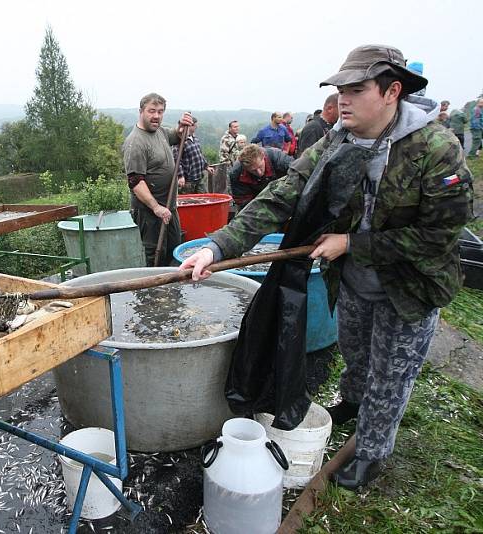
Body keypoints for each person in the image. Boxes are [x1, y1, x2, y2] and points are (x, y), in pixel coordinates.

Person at [181, 44, 472, 490]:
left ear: (392, 91)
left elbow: (440, 236)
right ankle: (353, 404)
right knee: (356, 355)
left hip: (410, 288)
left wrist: (352, 243)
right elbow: (286, 192)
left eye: (356, 89)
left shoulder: (435, 149)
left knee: (389, 375)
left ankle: (372, 453)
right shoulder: (338, 139)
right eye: (340, 89)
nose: (344, 100)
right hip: (353, 282)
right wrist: (218, 247)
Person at [123, 93, 194, 266]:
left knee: (175, 249)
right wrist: (156, 207)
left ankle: (172, 290)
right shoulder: (136, 142)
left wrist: (181, 126)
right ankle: (154, 291)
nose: (156, 116)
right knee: (155, 255)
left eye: (160, 112)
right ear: (141, 111)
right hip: (150, 211)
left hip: (169, 206)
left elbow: (176, 137)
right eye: (152, 111)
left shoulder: (159, 131)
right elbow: (135, 183)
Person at [228, 144, 293, 211]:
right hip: (256, 200)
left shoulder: (280, 159)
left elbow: (297, 178)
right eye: (253, 170)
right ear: (246, 168)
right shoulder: (237, 173)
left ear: (263, 157)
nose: (259, 172)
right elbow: (243, 203)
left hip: (283, 194)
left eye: (260, 167)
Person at [172, 117, 214, 194]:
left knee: (203, 199)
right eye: (194, 125)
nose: (196, 127)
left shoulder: (195, 138)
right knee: (188, 201)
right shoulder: (179, 141)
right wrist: (180, 176)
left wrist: (206, 166)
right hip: (188, 180)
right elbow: (176, 160)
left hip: (199, 177)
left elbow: (200, 155)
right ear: (189, 126)